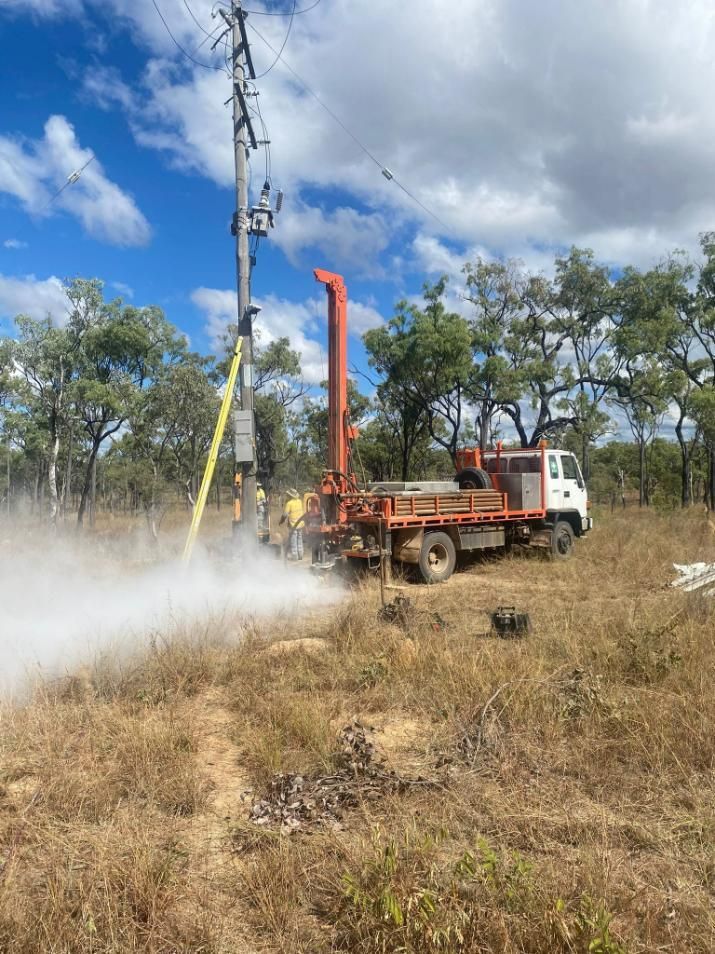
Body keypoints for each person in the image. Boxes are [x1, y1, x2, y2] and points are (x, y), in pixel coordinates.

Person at [279, 488, 305, 561]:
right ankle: (301, 555)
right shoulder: (299, 501)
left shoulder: (289, 503)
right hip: (300, 523)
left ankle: (295, 556)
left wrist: (281, 522)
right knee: (299, 539)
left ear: (290, 496)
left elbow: (285, 515)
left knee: (293, 540)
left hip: (293, 524)